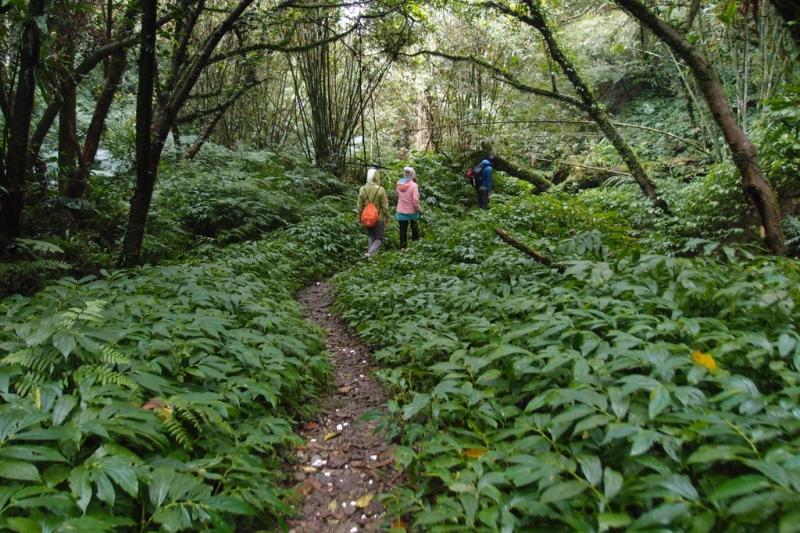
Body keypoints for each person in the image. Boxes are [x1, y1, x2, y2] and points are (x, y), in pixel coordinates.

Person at [357, 167, 389, 257]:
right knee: (379, 238)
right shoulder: (380, 189)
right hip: (379, 217)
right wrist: (387, 217)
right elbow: (385, 207)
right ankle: (370, 254)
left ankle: (372, 259)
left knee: (371, 236)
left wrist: (359, 217)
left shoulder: (362, 189)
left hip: (367, 218)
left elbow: (359, 206)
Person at [395, 166, 420, 250]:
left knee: (402, 231)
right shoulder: (414, 185)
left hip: (401, 211)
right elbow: (415, 200)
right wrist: (417, 209)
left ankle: (403, 248)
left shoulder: (399, 183)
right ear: (413, 175)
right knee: (414, 229)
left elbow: (398, 196)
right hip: (412, 211)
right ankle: (416, 246)